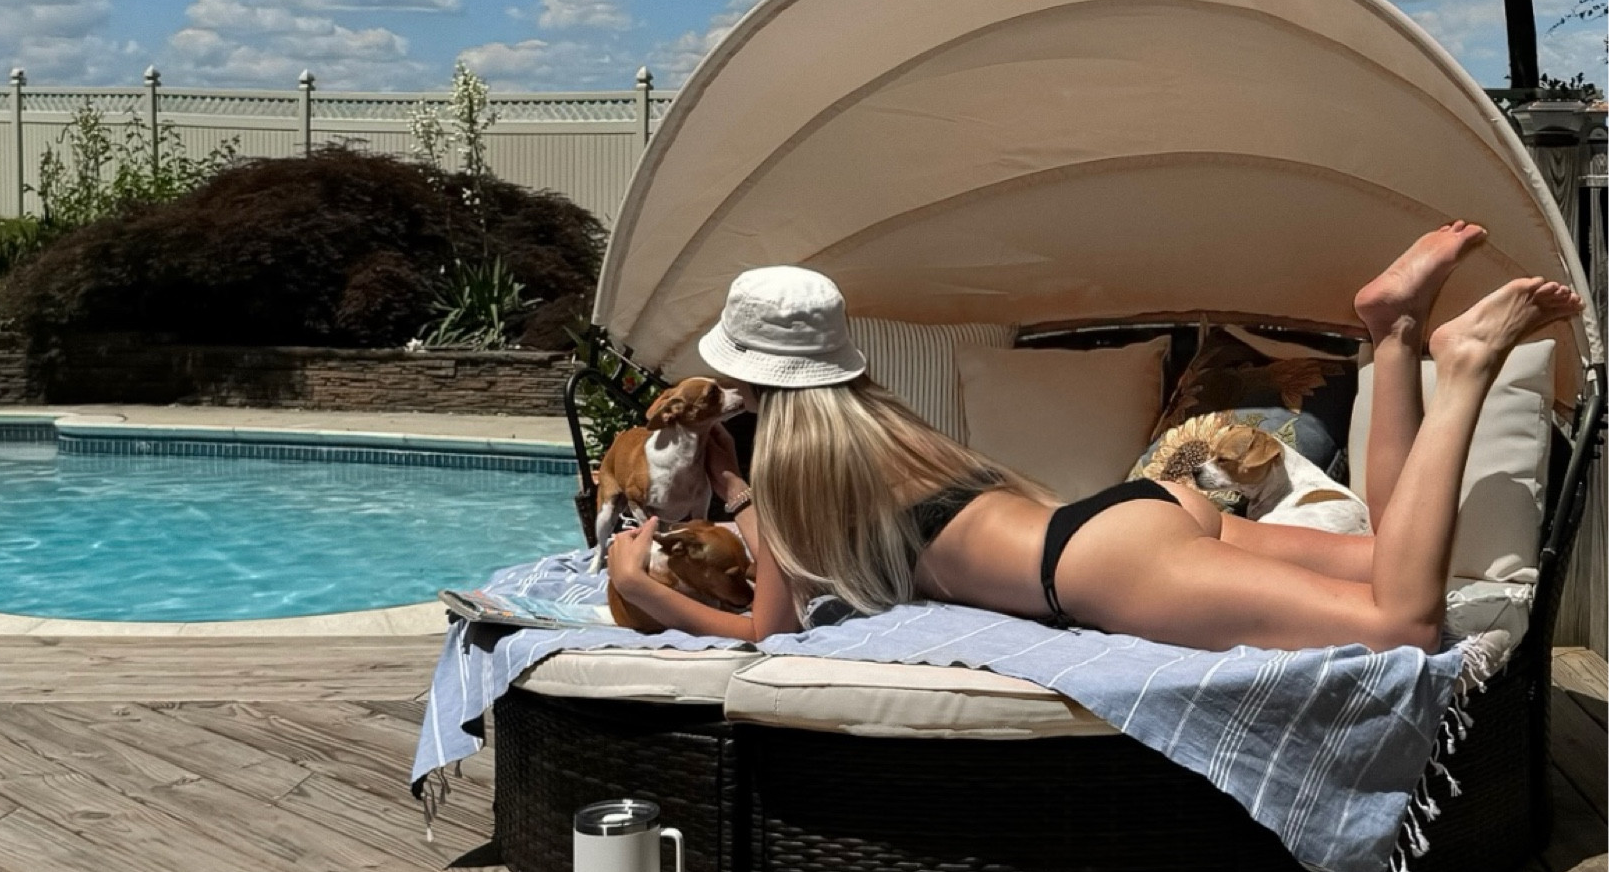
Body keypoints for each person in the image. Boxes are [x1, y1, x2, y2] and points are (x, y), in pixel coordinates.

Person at [604, 230, 1583, 655]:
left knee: (1402, 626)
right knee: (1397, 563)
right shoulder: (880, 420)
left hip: (1097, 565)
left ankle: (1454, 368)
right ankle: (1393, 332)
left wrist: (647, 586)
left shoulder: (790, 472)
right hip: (1134, 511)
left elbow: (765, 631)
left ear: (752, 381)